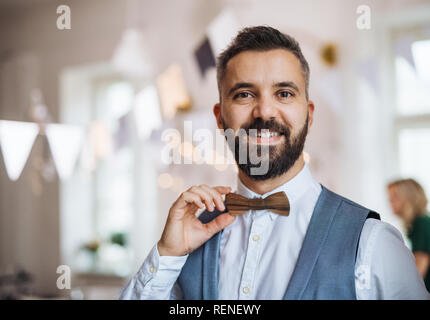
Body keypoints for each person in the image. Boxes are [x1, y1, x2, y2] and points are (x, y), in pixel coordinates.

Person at [120, 26, 429, 299]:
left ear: (308, 115)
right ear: (219, 116)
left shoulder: (373, 243)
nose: (264, 112)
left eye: (283, 93)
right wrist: (168, 255)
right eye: (244, 94)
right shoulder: (186, 241)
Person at [387, 178, 430, 292]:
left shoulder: (420, 223)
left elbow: (419, 268)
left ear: (409, 198)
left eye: (395, 197)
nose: (390, 201)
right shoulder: (421, 221)